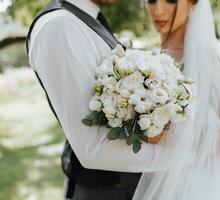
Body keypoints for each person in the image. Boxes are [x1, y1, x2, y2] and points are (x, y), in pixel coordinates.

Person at [26, 0, 169, 199]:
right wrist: (185, 156)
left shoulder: (86, 18)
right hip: (106, 192)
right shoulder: (60, 27)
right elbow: (94, 149)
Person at [126, 0, 220, 199]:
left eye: (170, 0)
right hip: (156, 182)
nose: (158, 10)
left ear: (193, 4)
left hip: (198, 187)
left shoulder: (204, 60)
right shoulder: (144, 61)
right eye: (151, 0)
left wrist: (176, 140)